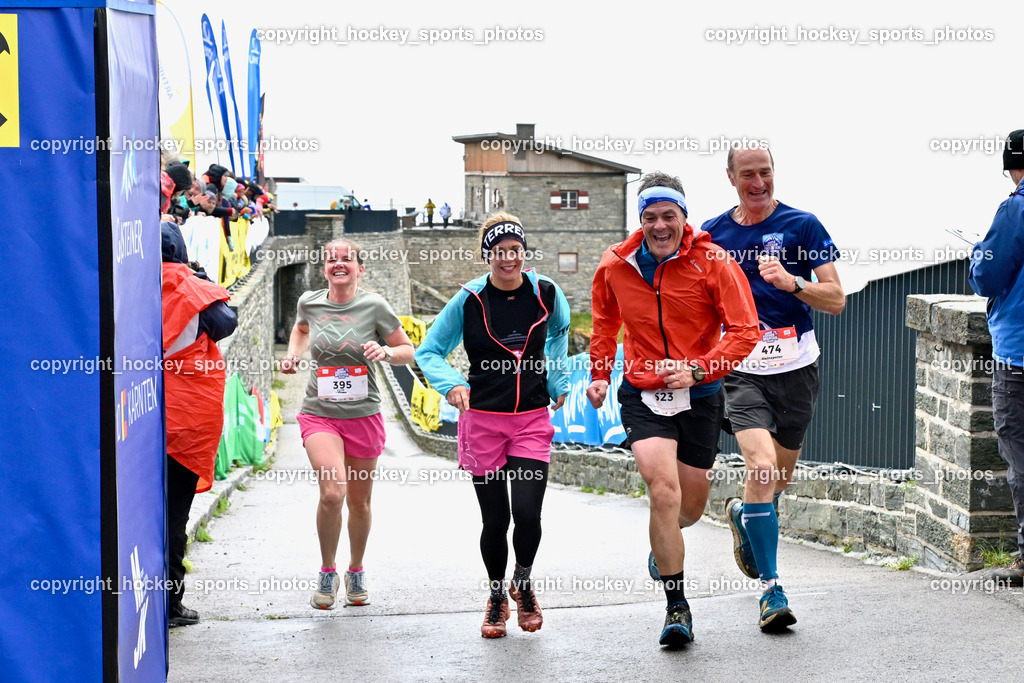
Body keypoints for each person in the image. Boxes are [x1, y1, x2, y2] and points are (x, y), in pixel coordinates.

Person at [587, 173, 759, 647]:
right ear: (639, 221)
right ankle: (676, 607)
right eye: (650, 217)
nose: (660, 226)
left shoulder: (713, 262)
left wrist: (701, 370)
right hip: (643, 392)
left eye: (669, 216)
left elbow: (745, 330)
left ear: (684, 218)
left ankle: (669, 545)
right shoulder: (616, 263)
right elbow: (605, 322)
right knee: (661, 491)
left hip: (700, 396)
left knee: (688, 507)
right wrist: (599, 374)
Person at [701, 145, 845, 631]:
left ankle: (744, 514)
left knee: (776, 480)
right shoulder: (712, 234)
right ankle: (771, 589)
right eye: (748, 174)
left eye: (765, 172)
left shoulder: (804, 226)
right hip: (740, 369)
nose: (758, 181)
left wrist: (793, 283)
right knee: (760, 466)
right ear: (731, 178)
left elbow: (837, 299)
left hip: (797, 365)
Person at [415, 212, 570, 638]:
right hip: (483, 421)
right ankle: (497, 597)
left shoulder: (547, 293)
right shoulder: (468, 300)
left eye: (515, 251)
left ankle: (523, 581)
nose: (508, 260)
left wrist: (558, 379)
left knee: (527, 512)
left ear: (523, 252)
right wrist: (451, 385)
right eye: (500, 252)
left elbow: (559, 334)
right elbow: (428, 351)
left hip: (531, 420)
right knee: (496, 520)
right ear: (488, 255)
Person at [280, 239, 414, 610]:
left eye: (347, 259)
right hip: (319, 412)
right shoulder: (310, 301)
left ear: (360, 268)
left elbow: (407, 350)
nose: (339, 264)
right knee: (332, 494)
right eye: (331, 260)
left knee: (359, 501)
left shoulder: (374, 306)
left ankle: (355, 569)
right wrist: (293, 355)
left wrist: (385, 352)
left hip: (363, 415)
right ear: (324, 268)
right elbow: (302, 329)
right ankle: (327, 570)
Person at [161, 222, 237, 627]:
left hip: (134, 419)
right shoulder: (193, 289)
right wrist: (201, 278)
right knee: (174, 518)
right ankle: (171, 604)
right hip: (186, 422)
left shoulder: (122, 283)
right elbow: (226, 323)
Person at [970, 129, 1024, 585]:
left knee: (1021, 455)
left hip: (1019, 357)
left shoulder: (1014, 208)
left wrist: (976, 254)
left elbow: (986, 276)